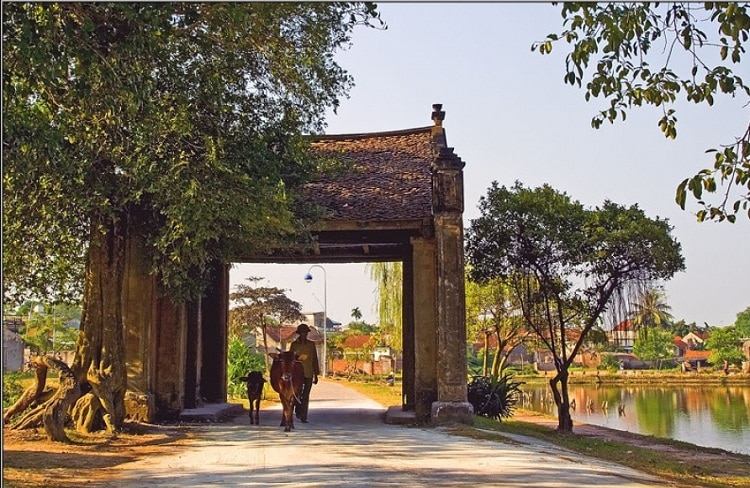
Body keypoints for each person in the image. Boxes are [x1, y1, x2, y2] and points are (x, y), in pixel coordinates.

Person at [289, 323, 320, 423]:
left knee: (306, 395)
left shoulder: (311, 345)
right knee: (297, 394)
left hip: (308, 373)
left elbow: (314, 359)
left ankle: (303, 416)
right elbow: (290, 359)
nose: (304, 334)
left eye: (305, 333)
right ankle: (298, 410)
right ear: (299, 334)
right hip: (296, 374)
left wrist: (316, 374)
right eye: (302, 333)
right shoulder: (294, 345)